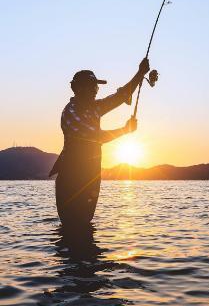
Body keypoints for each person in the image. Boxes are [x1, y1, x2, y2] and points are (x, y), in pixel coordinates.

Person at [49, 58, 151, 226]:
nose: (96, 91)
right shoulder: (70, 113)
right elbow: (94, 137)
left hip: (91, 177)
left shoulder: (95, 107)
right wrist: (124, 131)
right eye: (92, 86)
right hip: (70, 179)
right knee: (72, 227)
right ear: (78, 89)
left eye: (96, 87)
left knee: (85, 226)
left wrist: (140, 73)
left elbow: (121, 96)